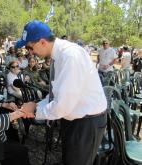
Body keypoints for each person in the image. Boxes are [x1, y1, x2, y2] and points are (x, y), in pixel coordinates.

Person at [15, 20, 107, 165]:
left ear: (43, 42)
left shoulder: (70, 57)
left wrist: (35, 110)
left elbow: (63, 105)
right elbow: (57, 95)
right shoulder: (59, 56)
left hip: (86, 123)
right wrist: (37, 105)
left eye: (29, 47)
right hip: (75, 119)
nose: (29, 52)